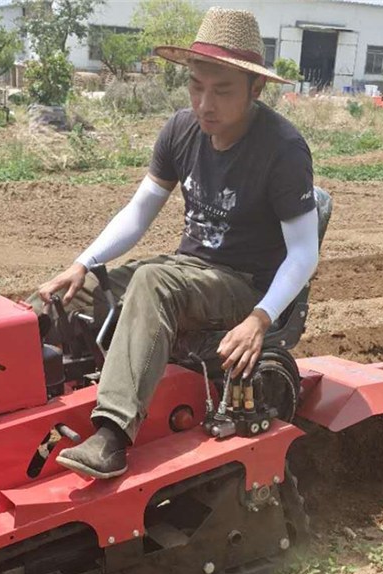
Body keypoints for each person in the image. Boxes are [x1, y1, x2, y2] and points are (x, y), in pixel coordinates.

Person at [32, 7, 320, 480]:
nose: (205, 103)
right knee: (66, 296)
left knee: (152, 281)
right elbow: (140, 211)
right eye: (195, 86)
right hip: (188, 271)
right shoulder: (182, 130)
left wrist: (259, 320)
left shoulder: (282, 148)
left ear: (256, 89)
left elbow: (305, 252)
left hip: (243, 287)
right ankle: (13, 396)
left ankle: (112, 434)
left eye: (222, 90)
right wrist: (83, 263)